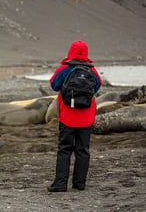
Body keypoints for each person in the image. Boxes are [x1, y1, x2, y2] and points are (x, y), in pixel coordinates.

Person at [48, 40, 102, 192]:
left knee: (64, 149)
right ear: (86, 53)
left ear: (71, 52)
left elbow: (53, 84)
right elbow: (97, 86)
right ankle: (79, 184)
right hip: (86, 118)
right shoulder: (92, 70)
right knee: (83, 150)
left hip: (67, 117)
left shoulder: (65, 68)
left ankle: (60, 184)